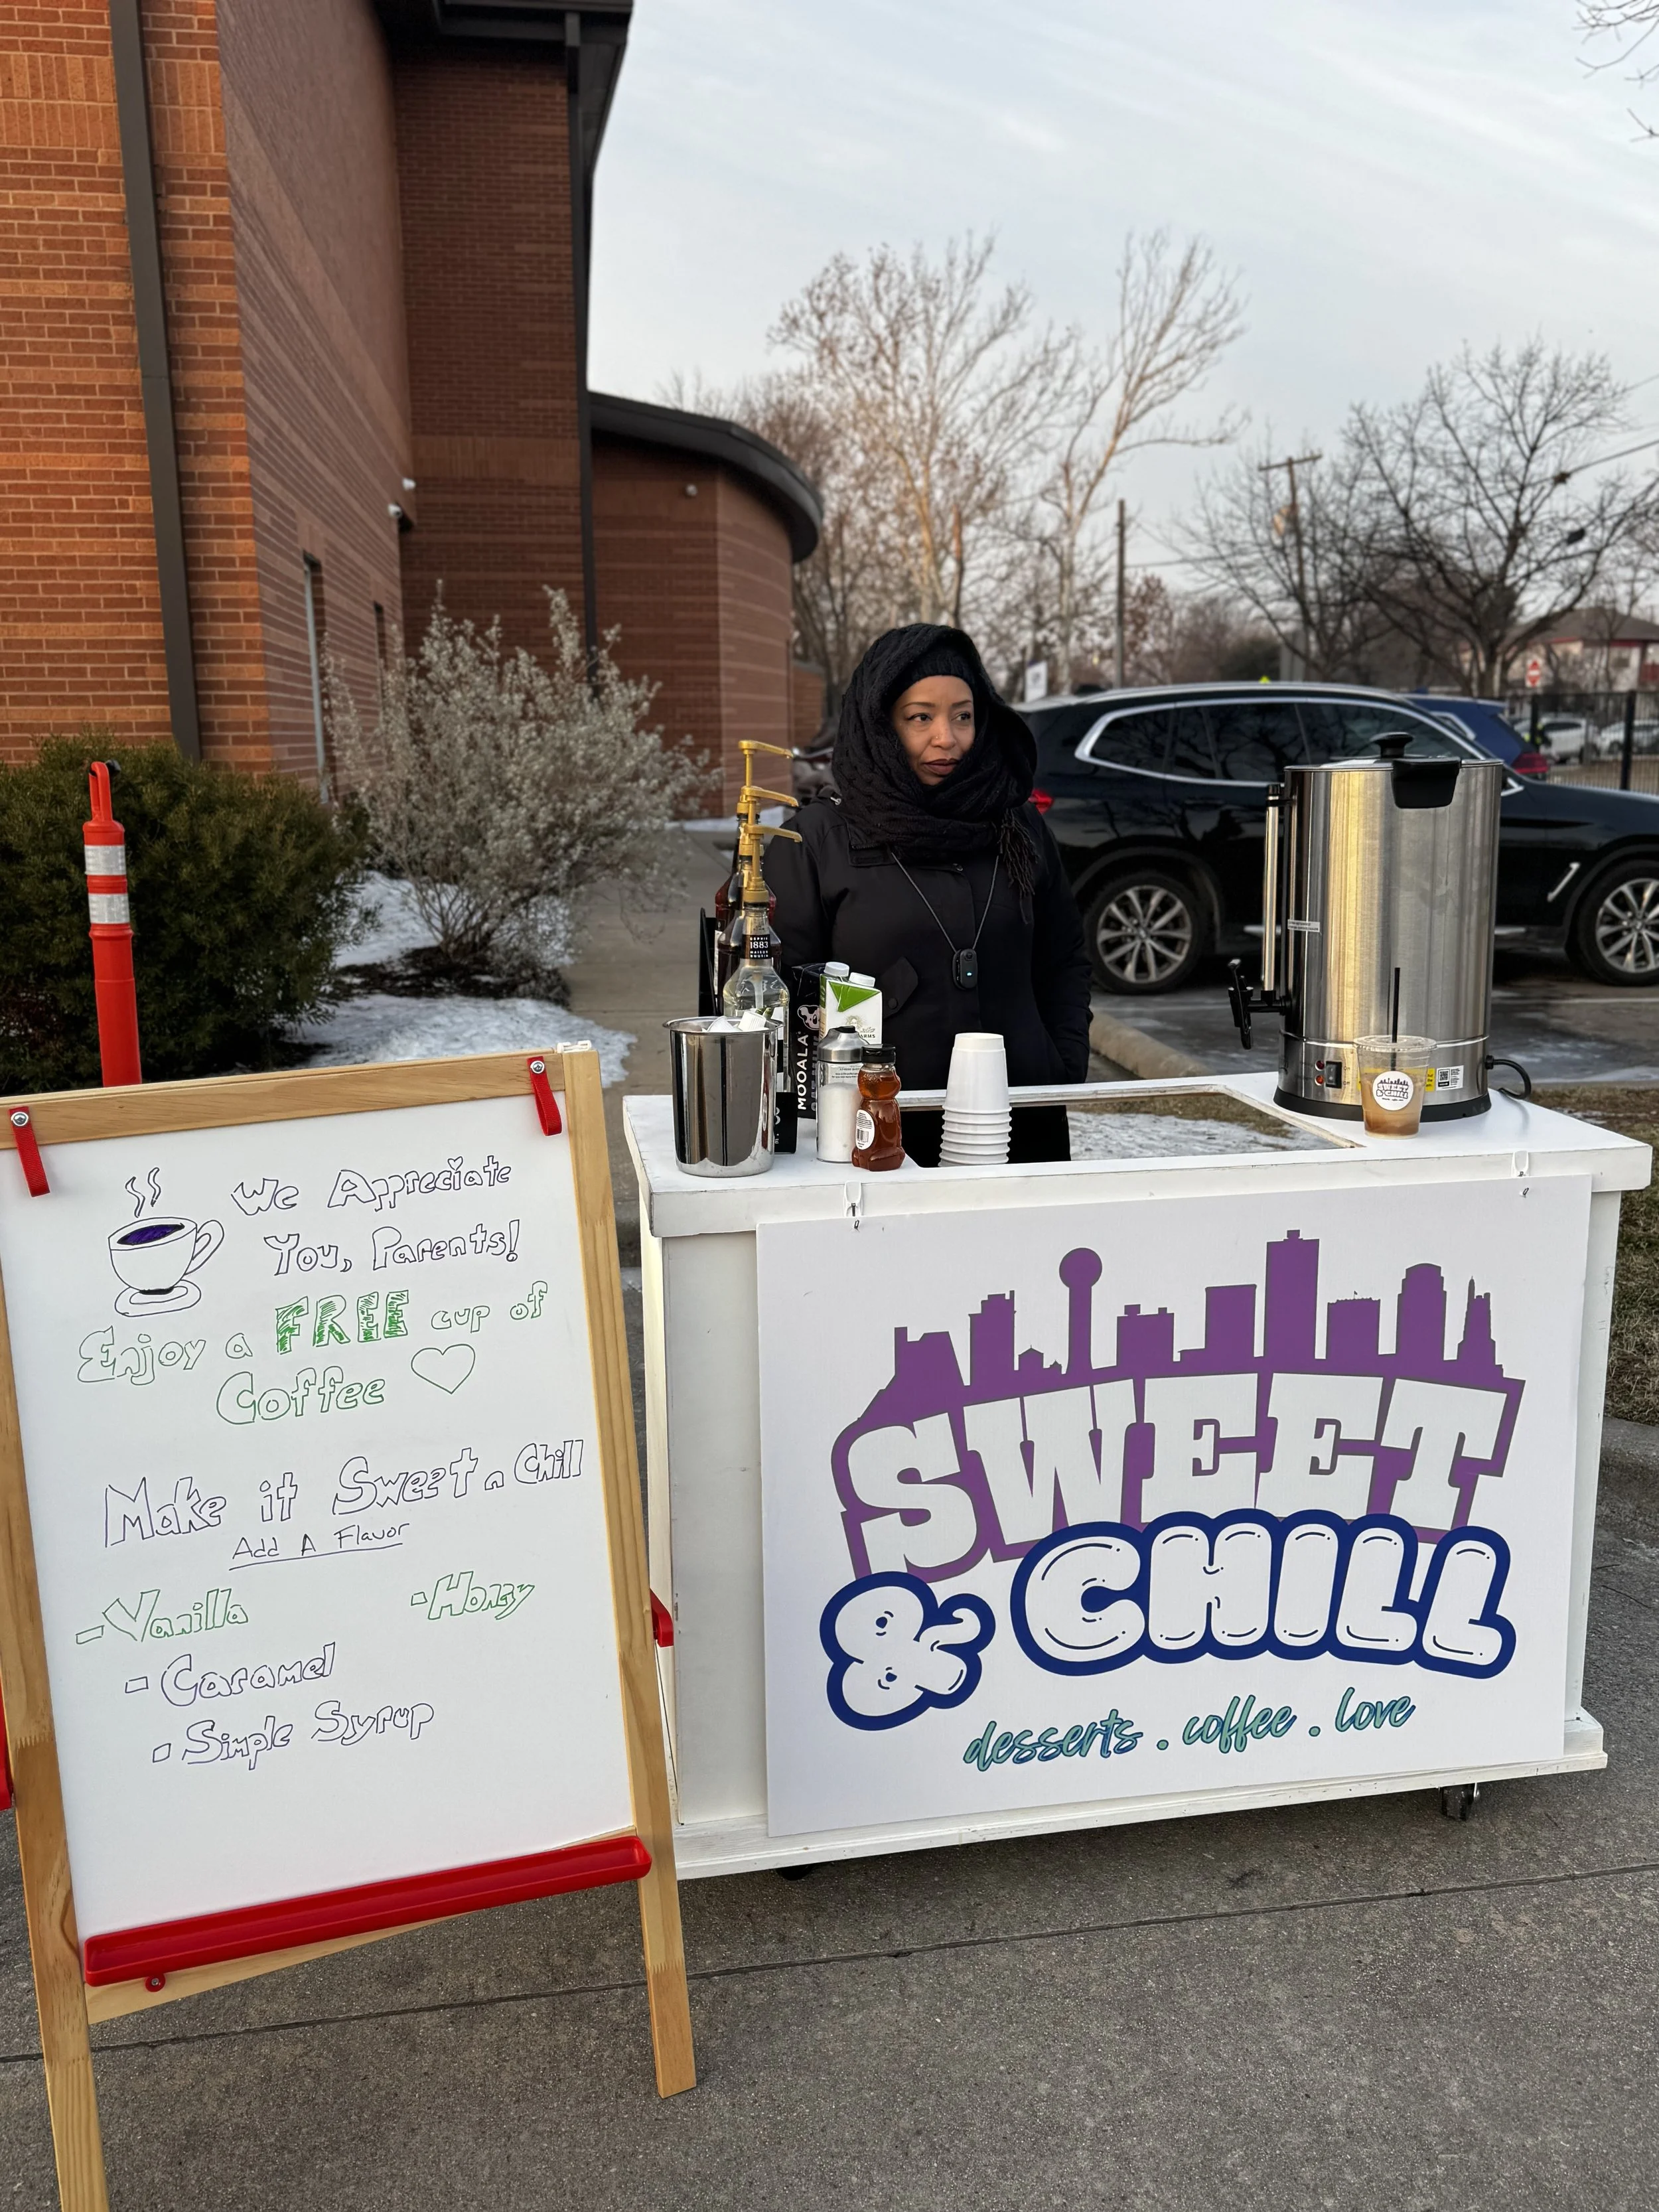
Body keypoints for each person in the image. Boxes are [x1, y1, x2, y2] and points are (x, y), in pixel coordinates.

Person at [768, 623, 1092, 1165]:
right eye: (921, 717)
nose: (947, 738)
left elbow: (1064, 959)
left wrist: (1060, 1062)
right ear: (881, 724)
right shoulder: (816, 841)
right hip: (878, 1137)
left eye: (963, 716)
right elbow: (784, 998)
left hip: (1023, 1125)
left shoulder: (1017, 826)